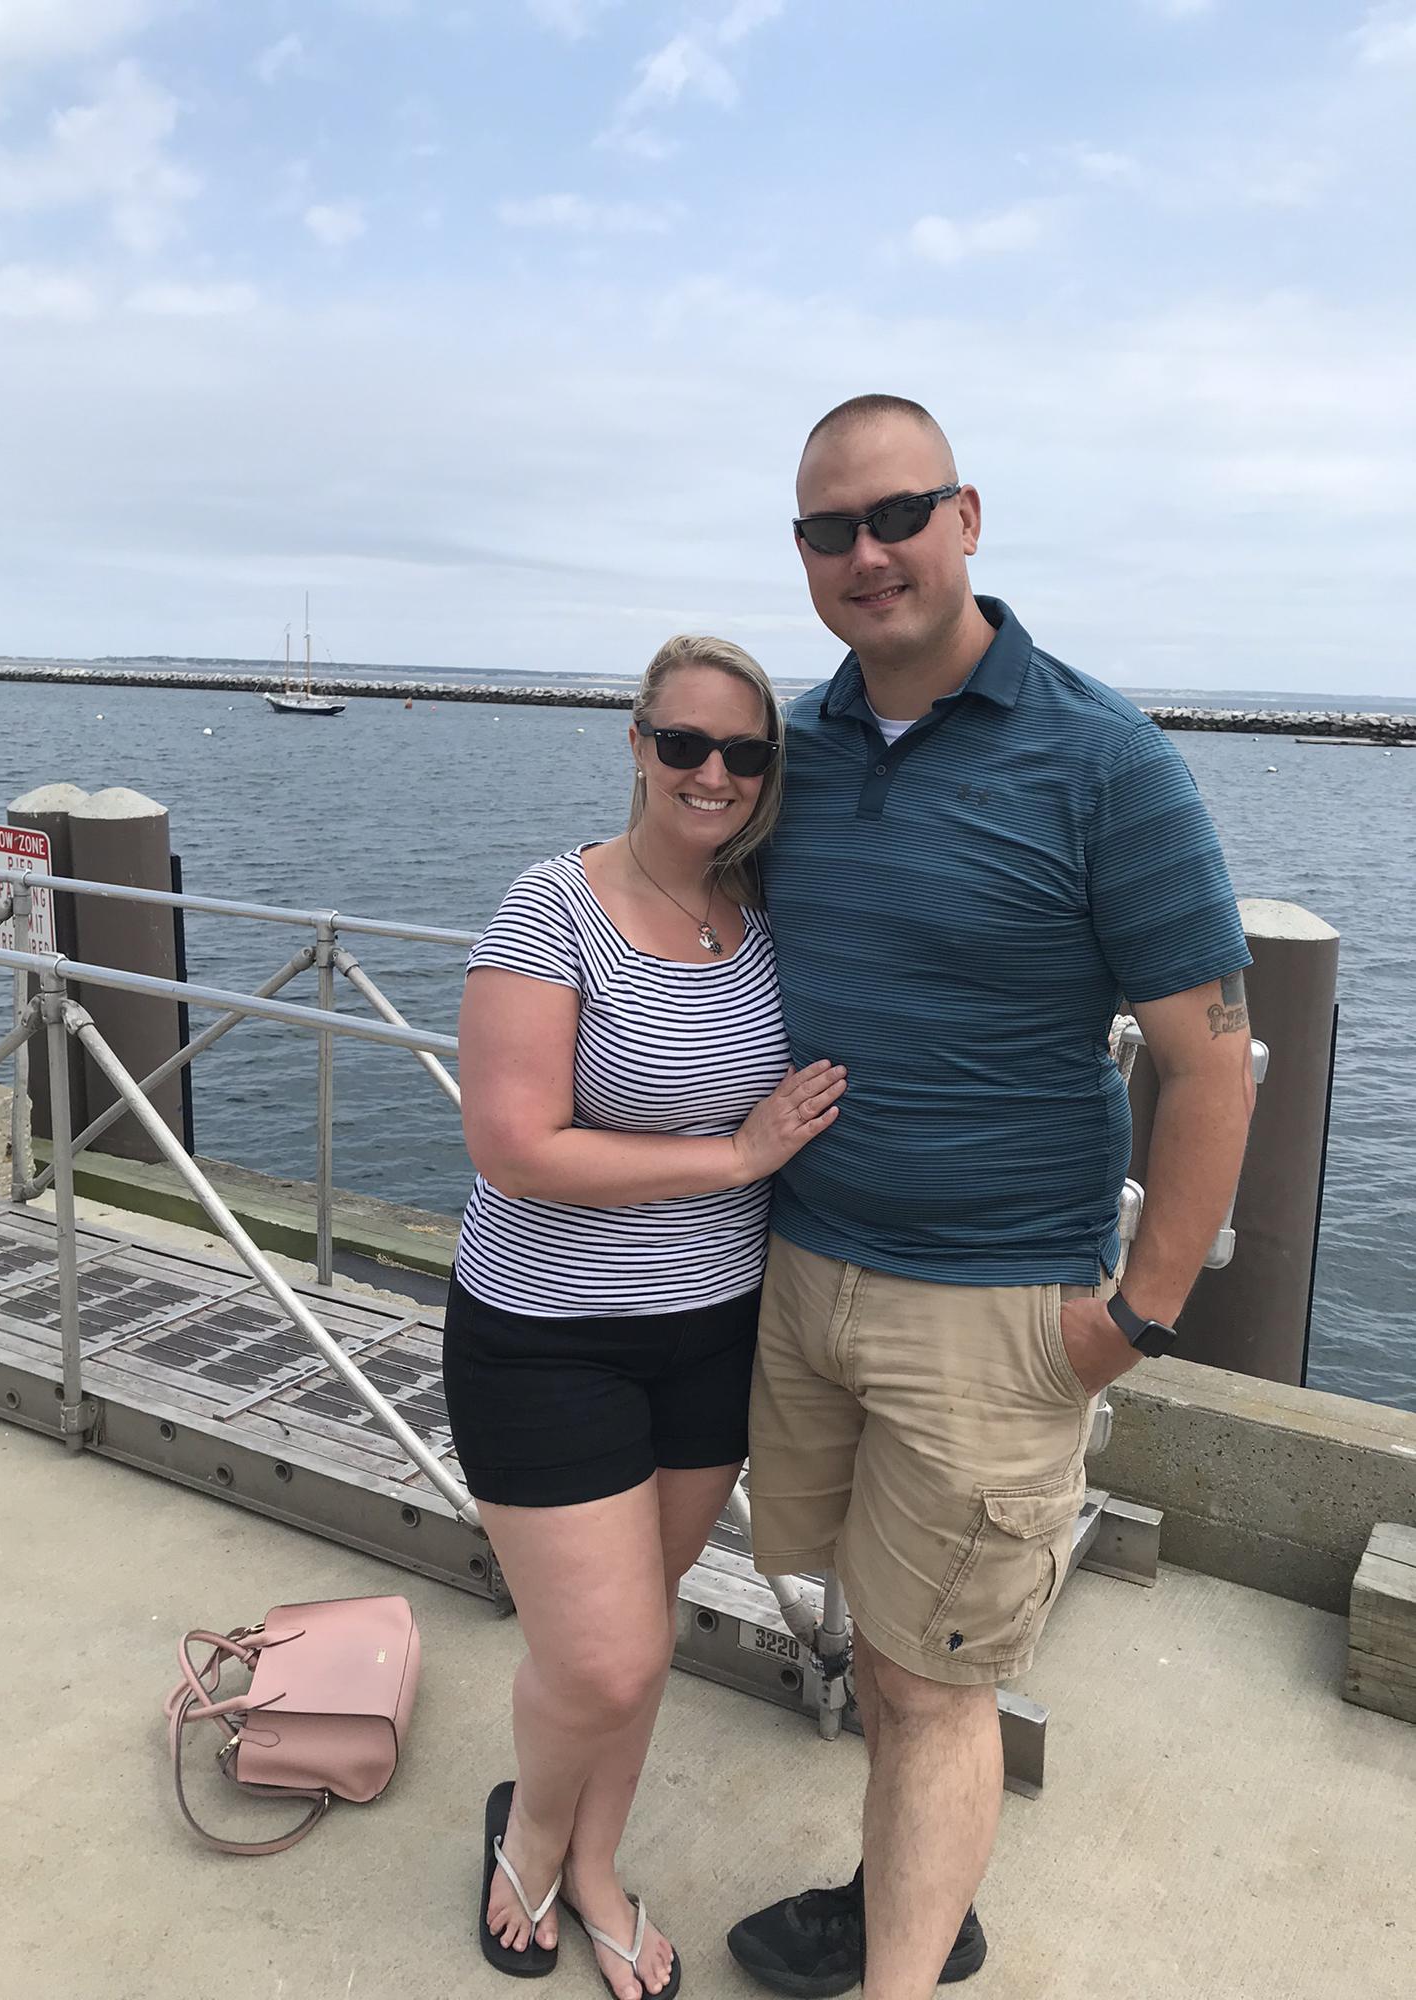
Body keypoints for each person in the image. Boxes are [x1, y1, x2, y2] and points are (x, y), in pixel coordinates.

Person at [726, 396, 1257, 2000]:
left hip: (996, 1307)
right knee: (874, 1641)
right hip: (803, 1273)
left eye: (899, 514)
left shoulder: (1105, 761)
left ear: (967, 517)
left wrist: (1134, 1321)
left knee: (934, 1682)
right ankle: (909, 1895)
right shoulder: (795, 751)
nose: (868, 552)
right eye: (831, 529)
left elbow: (1211, 1064)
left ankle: (903, 1965)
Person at [444, 633, 847, 2000]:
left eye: (745, 752)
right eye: (684, 743)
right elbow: (513, 1147)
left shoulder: (764, 911)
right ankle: (530, 1836)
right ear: (636, 745)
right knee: (603, 1659)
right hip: (546, 1334)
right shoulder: (551, 912)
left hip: (713, 1332)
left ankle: (597, 1863)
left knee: (645, 1627)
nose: (713, 773)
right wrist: (732, 1159)